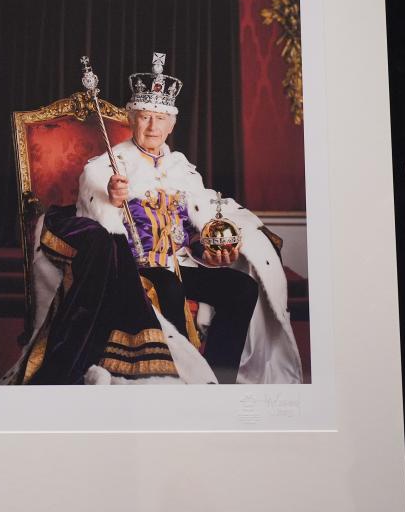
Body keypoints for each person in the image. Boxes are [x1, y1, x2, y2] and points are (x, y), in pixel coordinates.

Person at [75, 52, 302, 384]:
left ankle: (216, 376)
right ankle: (181, 380)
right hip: (133, 268)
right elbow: (90, 217)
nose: (152, 126)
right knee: (168, 287)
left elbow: (195, 227)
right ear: (131, 118)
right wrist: (111, 198)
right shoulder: (105, 167)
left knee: (241, 287)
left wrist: (210, 250)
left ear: (172, 124)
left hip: (181, 265)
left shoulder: (182, 168)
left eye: (160, 118)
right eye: (145, 117)